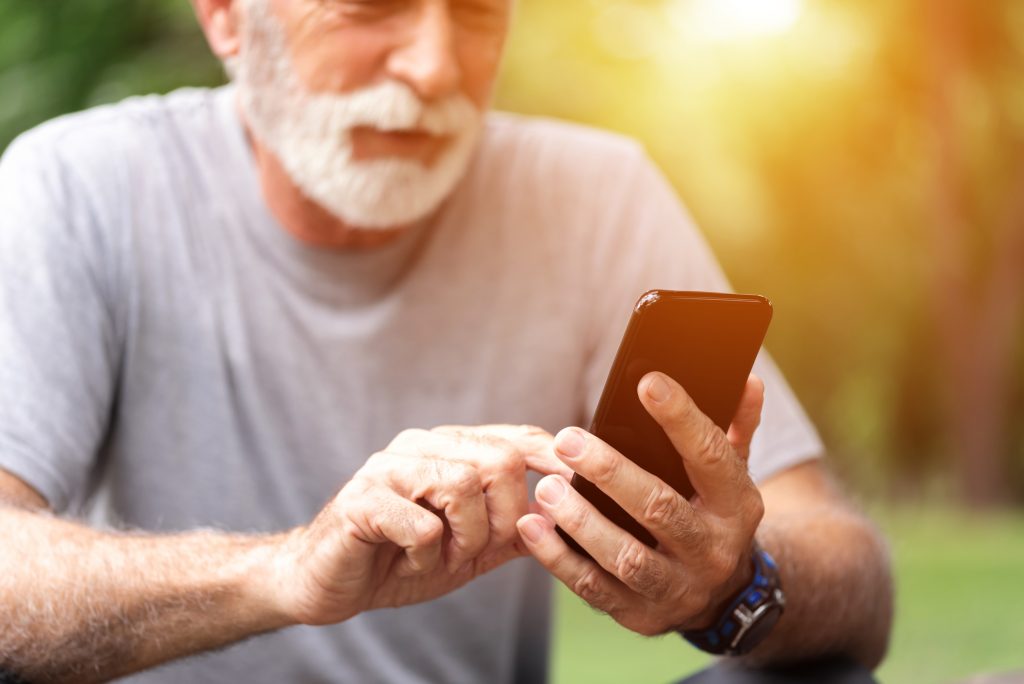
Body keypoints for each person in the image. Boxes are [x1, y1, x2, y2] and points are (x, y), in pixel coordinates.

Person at [0, 0, 893, 682]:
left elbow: (850, 569)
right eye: (372, 5)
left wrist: (736, 580)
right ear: (229, 16)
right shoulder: (81, 187)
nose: (436, 66)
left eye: (475, 11)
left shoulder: (593, 195)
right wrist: (283, 572)